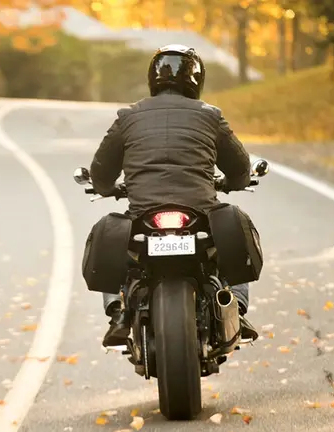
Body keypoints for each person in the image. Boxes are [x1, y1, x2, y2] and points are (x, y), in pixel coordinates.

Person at [89, 44, 261, 347]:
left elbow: (101, 171)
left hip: (145, 213)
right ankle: (236, 306)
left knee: (120, 243)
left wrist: (106, 188)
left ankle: (117, 312)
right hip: (199, 210)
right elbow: (240, 166)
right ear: (196, 79)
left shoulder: (128, 117)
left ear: (153, 79)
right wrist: (235, 182)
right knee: (231, 233)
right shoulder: (210, 116)